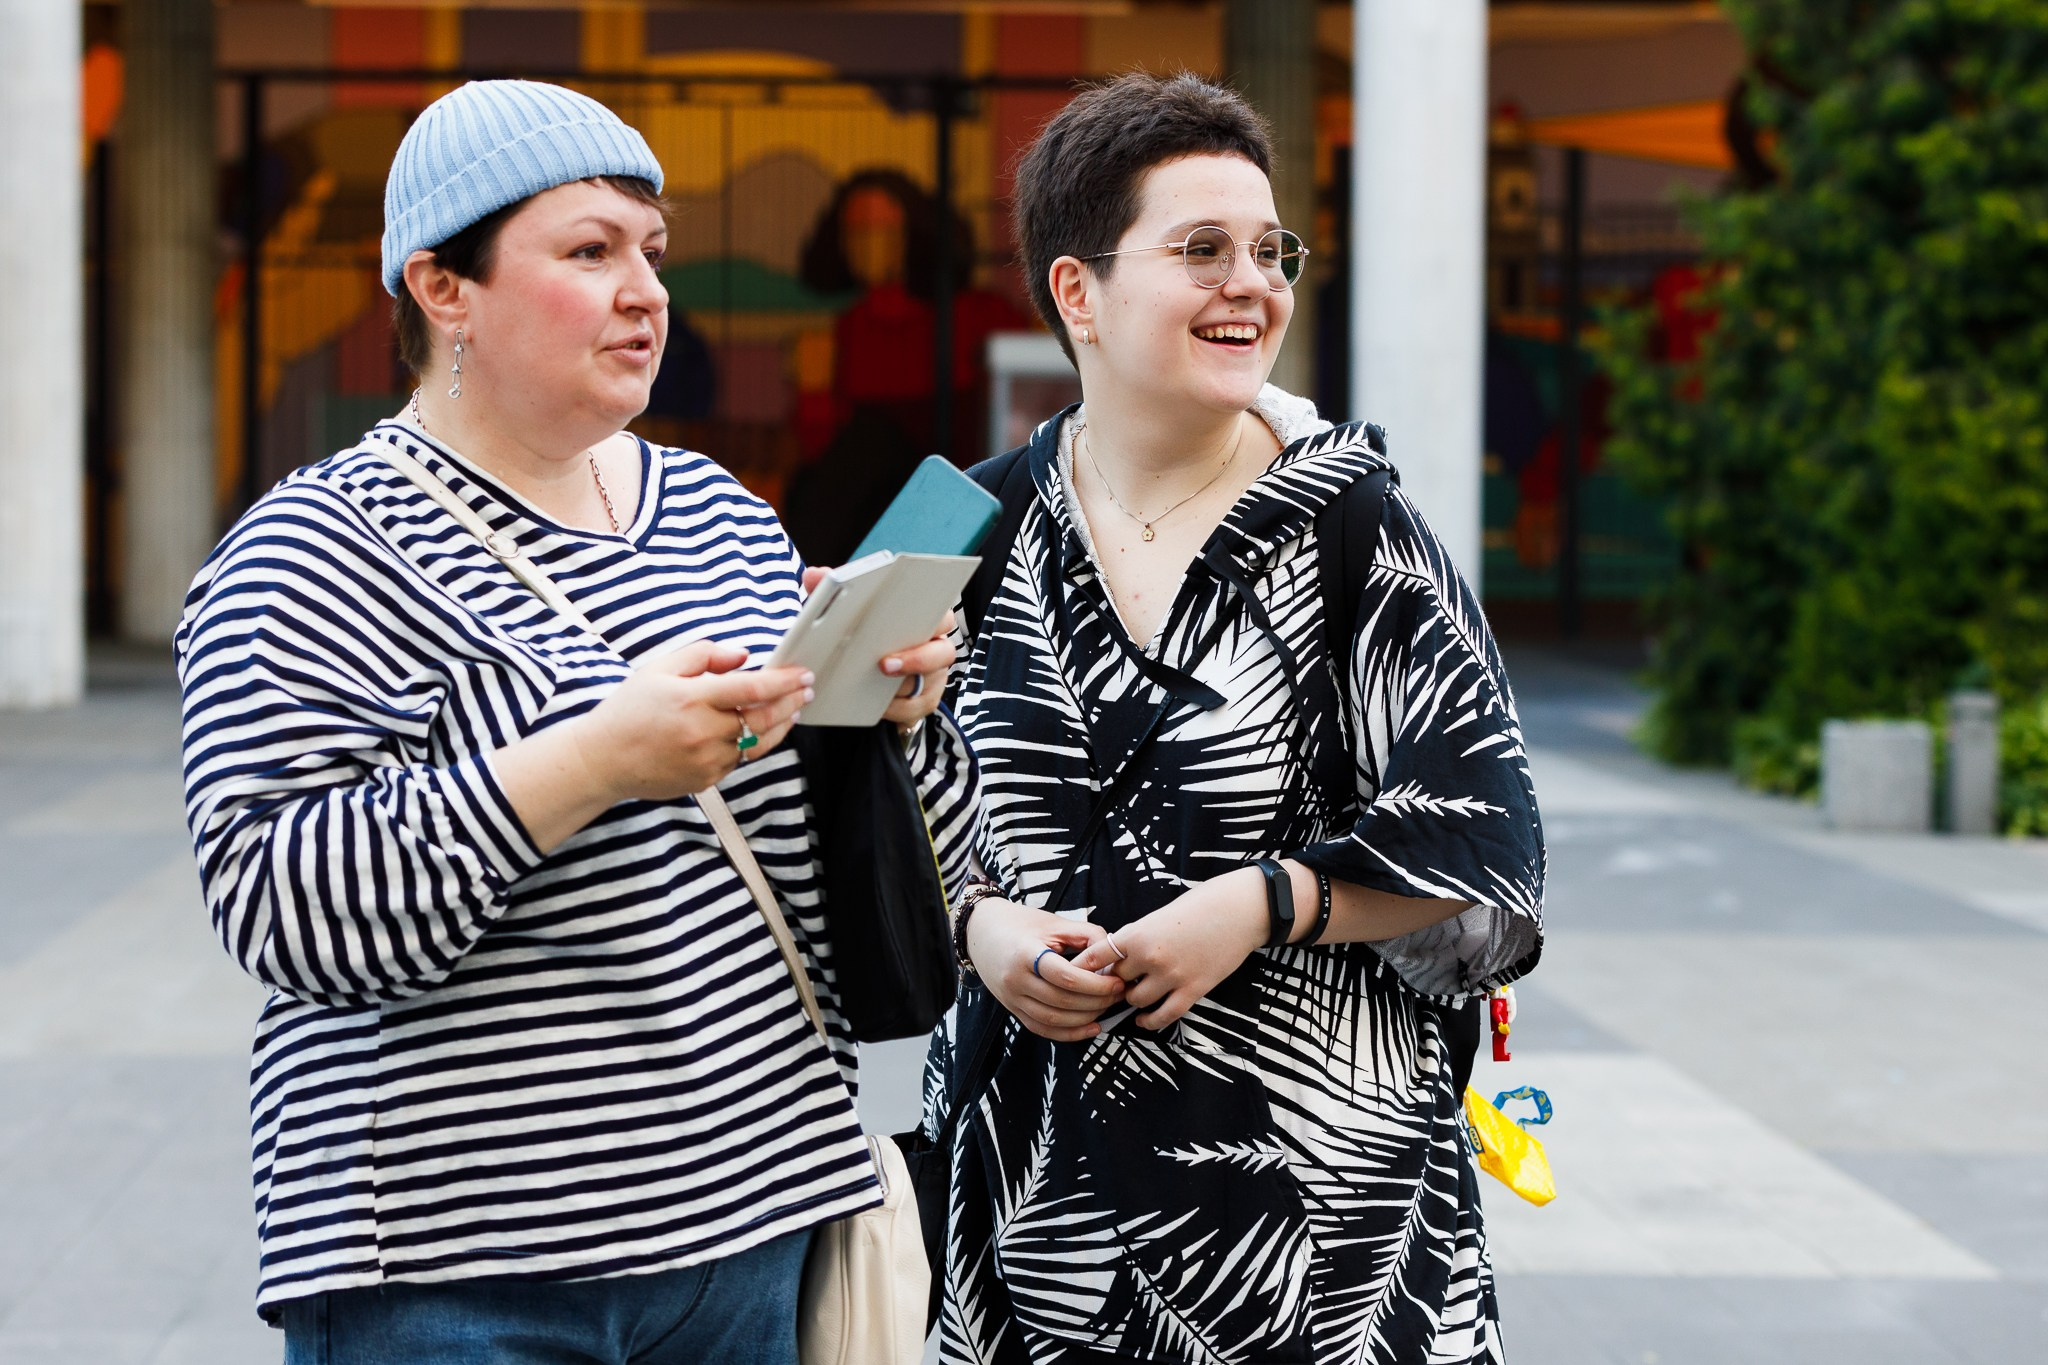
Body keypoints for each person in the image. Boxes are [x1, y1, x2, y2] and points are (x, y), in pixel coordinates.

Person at [173, 80, 975, 1364]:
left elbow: (884, 855)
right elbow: (277, 903)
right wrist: (594, 760)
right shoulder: (314, 547)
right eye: (589, 251)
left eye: (650, 252)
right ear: (444, 290)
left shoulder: (713, 509)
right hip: (455, 1266)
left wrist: (889, 715)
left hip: (754, 1219)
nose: (646, 291)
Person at [926, 72, 1545, 1364]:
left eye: (1271, 251)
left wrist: (1259, 904)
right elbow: (852, 802)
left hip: (1320, 1239)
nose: (1252, 284)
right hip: (1038, 1232)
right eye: (1200, 249)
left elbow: (1490, 846)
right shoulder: (947, 522)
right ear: (1077, 294)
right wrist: (979, 929)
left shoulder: (1360, 529)